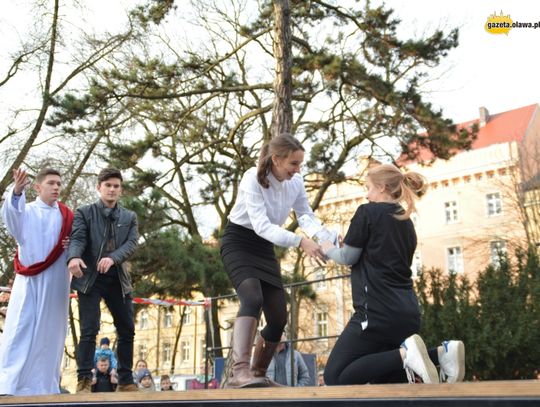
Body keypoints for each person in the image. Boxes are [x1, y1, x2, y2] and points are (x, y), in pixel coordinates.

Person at [321, 164, 465, 385]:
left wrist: (328, 248)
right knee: (386, 382)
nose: (367, 194)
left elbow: (347, 258)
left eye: (368, 188)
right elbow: (376, 256)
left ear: (382, 187)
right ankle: (440, 354)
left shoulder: (367, 212)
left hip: (376, 314)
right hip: (406, 315)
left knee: (335, 377)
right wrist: (347, 246)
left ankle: (408, 354)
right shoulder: (405, 221)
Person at [220, 134, 325, 388]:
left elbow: (305, 215)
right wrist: (301, 242)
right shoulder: (252, 179)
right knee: (252, 298)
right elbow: (262, 226)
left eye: (300, 164)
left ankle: (257, 373)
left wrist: (326, 237)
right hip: (239, 241)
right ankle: (239, 372)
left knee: (278, 317)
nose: (298, 170)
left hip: (263, 247)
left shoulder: (296, 182)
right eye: (293, 164)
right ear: (276, 159)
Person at [0, 168, 73, 396]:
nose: (56, 187)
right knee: (21, 328)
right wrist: (17, 191)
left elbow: (78, 243)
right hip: (29, 281)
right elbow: (11, 216)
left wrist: (73, 246)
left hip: (56, 282)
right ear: (37, 187)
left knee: (51, 333)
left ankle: (46, 386)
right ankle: (8, 384)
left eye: (59, 184)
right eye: (51, 183)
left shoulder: (66, 215)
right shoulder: (27, 212)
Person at [67, 168, 139, 393]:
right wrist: (74, 257)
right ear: (99, 187)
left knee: (127, 328)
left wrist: (112, 258)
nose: (112, 189)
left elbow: (131, 244)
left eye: (116, 186)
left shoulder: (129, 217)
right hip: (90, 278)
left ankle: (126, 380)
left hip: (118, 278)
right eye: (108, 185)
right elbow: (77, 238)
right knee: (89, 329)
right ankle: (84, 380)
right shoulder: (85, 212)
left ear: (121, 190)